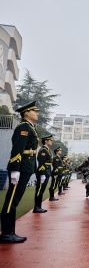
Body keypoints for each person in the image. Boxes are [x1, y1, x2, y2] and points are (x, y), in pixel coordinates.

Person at [0, 102, 40, 244]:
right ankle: (6, 233)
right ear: (26, 113)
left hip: (26, 167)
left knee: (14, 199)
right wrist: (15, 169)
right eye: (34, 111)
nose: (37, 113)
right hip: (21, 168)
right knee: (12, 199)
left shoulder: (29, 127)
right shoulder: (23, 127)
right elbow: (17, 149)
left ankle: (10, 231)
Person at [33, 133, 54, 213]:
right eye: (50, 140)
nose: (51, 142)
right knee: (39, 190)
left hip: (47, 171)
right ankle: (37, 207)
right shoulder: (43, 150)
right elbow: (41, 162)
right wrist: (42, 174)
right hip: (43, 171)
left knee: (41, 190)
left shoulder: (47, 150)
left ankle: (39, 206)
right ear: (46, 141)